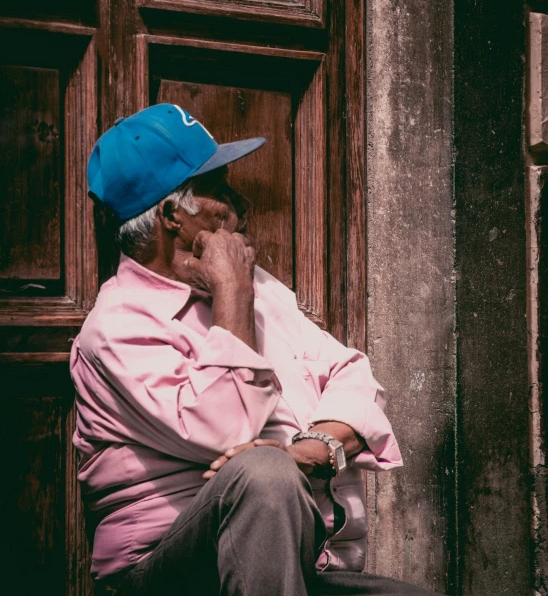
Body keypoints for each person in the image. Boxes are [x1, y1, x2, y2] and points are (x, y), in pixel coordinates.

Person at [70, 103, 443, 596]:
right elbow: (230, 431)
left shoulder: (257, 286)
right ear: (172, 215)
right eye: (219, 191)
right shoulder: (116, 328)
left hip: (298, 557)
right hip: (164, 565)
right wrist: (231, 293)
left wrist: (312, 449)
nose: (238, 205)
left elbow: (353, 374)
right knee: (264, 473)